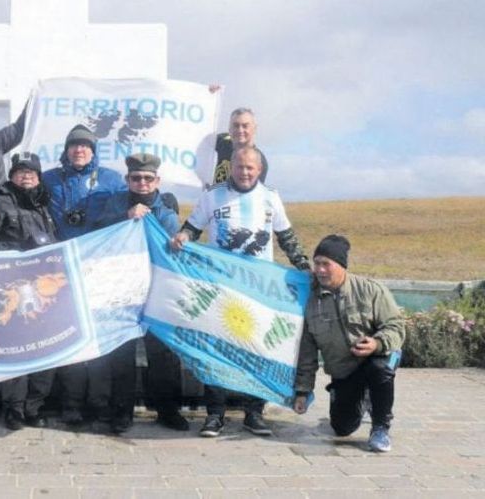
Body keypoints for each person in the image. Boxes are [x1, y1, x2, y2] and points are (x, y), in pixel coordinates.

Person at [171, 145, 310, 438]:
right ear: (231, 167)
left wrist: (304, 266)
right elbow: (192, 228)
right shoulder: (212, 196)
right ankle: (215, 415)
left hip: (258, 290)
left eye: (250, 168)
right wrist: (183, 236)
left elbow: (286, 238)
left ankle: (254, 413)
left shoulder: (271, 198)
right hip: (222, 286)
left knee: (256, 349)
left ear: (259, 170)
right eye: (239, 167)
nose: (244, 172)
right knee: (217, 349)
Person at [92, 153, 189, 434]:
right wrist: (125, 217)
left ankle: (167, 410)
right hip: (121, 288)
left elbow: (174, 254)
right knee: (121, 351)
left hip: (156, 289)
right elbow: (98, 233)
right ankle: (121, 412)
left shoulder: (166, 212)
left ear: (157, 180)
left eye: (148, 178)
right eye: (136, 178)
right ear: (127, 180)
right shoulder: (114, 204)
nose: (142, 183)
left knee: (162, 353)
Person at [42, 124, 126, 425]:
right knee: (70, 337)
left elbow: (132, 205)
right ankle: (71, 403)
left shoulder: (111, 180)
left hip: (99, 269)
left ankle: (100, 402)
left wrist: (161, 203)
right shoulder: (49, 179)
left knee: (100, 336)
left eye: (85, 145)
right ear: (66, 150)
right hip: (62, 269)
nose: (79, 149)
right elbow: (23, 196)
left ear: (93, 150)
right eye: (74, 145)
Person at [293, 235, 405, 453]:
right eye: (317, 264)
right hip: (343, 372)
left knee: (380, 369)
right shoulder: (311, 302)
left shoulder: (371, 290)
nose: (320, 270)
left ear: (342, 266)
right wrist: (303, 392)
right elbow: (307, 354)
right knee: (342, 428)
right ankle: (364, 400)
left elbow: (396, 326)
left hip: (374, 359)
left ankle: (380, 427)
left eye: (326, 264)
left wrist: (377, 343)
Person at [0, 152, 57, 430]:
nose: (26, 175)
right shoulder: (1, 202)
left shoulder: (45, 202)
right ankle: (14, 408)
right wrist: (14, 255)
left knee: (46, 347)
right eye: (20, 171)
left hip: (43, 287)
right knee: (18, 348)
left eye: (31, 171)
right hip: (13, 286)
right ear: (12, 175)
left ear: (39, 176)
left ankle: (35, 405)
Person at [212, 107, 269, 186]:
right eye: (236, 125)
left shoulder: (258, 160)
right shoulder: (222, 141)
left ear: (254, 129)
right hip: (212, 196)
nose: (240, 130)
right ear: (229, 129)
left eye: (245, 126)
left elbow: (252, 193)